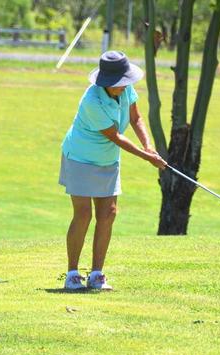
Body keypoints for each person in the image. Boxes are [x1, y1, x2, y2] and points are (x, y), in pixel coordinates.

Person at [59, 51, 166, 291]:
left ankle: (97, 274)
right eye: (118, 83)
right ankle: (72, 274)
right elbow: (115, 136)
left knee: (108, 213)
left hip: (107, 159)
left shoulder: (126, 89)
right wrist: (147, 157)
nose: (123, 87)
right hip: (81, 158)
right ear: (106, 82)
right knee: (83, 214)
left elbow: (136, 117)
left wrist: (149, 146)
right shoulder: (91, 101)